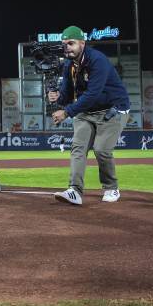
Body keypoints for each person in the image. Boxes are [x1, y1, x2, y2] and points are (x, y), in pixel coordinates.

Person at [47, 26, 131, 205]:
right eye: (64, 44)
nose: (67, 47)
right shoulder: (69, 64)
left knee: (101, 149)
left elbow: (93, 94)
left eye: (71, 43)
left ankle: (111, 187)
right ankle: (74, 191)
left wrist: (67, 112)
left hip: (112, 110)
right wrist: (58, 97)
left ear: (82, 43)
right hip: (86, 112)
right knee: (78, 149)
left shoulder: (97, 60)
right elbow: (67, 93)